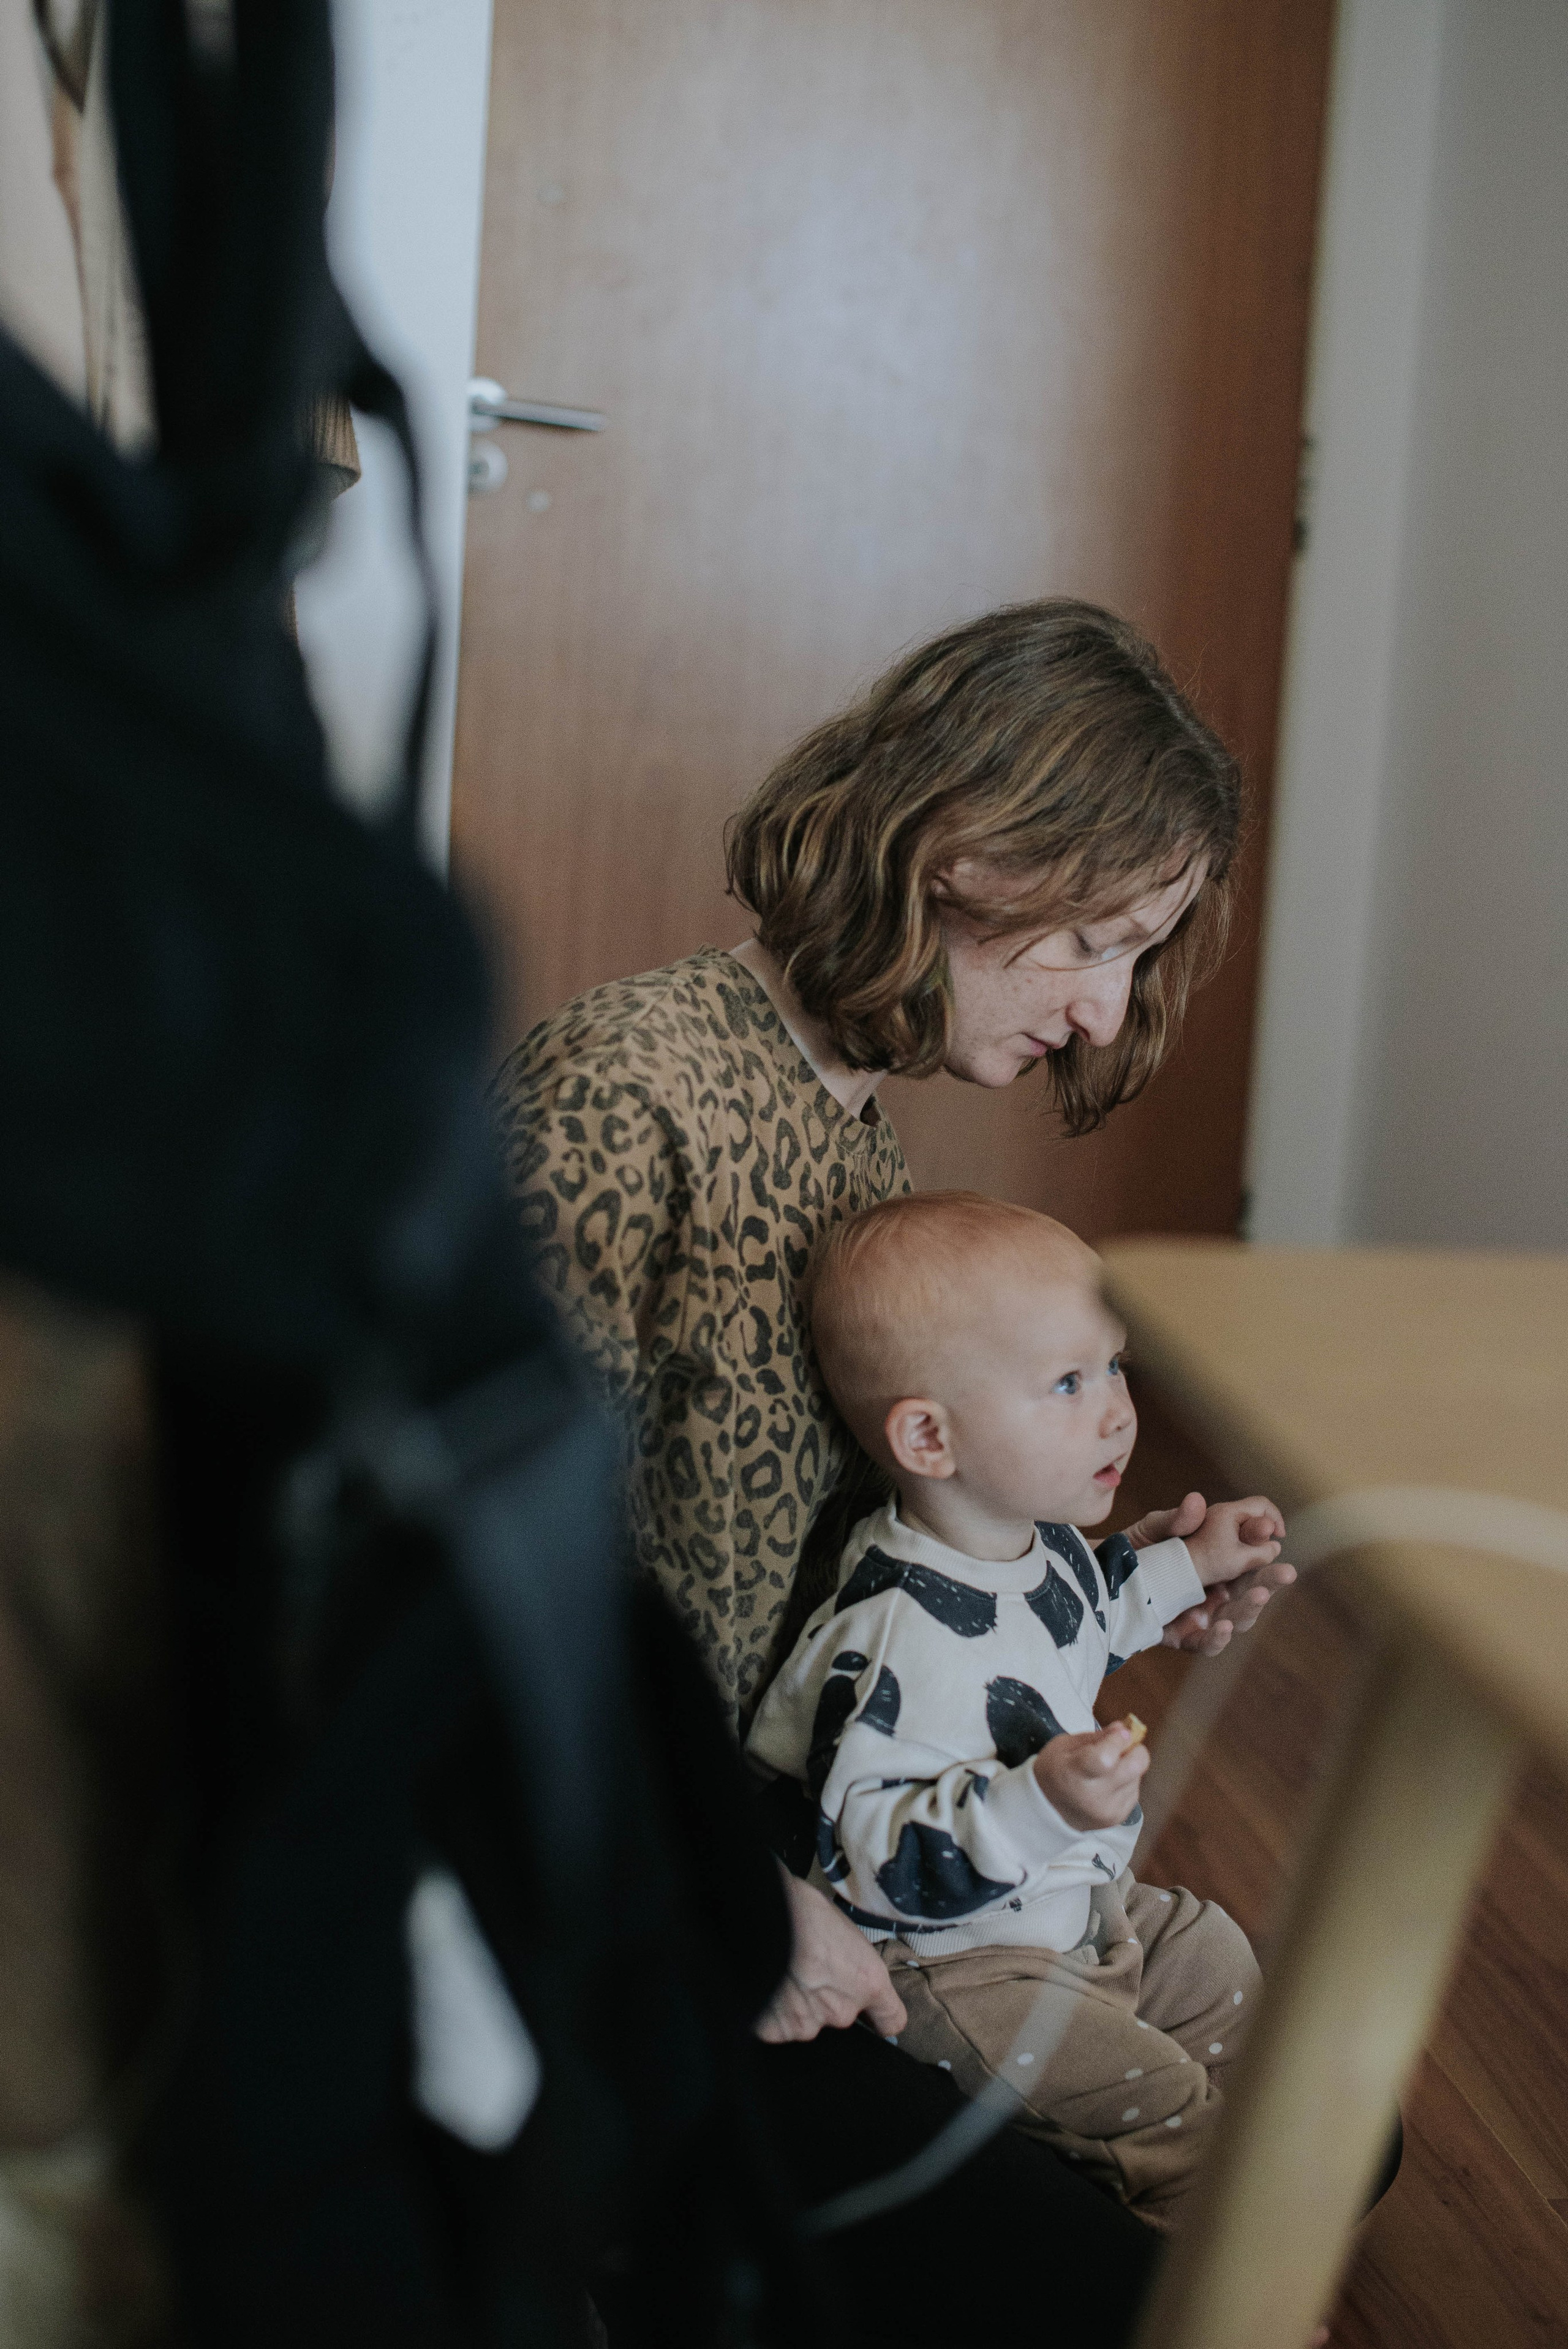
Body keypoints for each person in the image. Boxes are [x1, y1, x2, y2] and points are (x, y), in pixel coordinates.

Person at [492, 597, 1256, 2336]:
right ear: (968, 848)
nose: (1105, 1007)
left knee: (1301, 2148)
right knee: (1134, 2282)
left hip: (837, 1835)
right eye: (1099, 941)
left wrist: (1123, 1562)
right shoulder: (626, 1096)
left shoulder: (851, 1127)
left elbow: (877, 1566)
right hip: (648, 1876)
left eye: (1143, 954)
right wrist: (738, 1895)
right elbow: (484, 1586)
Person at [746, 1190, 1295, 2230]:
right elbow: (876, 1856)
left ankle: (1259, 2174)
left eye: (1115, 1365)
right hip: (961, 1962)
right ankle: (1196, 2290)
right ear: (929, 1436)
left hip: (1072, 1910)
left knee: (1221, 1961)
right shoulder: (894, 1636)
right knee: (1174, 2115)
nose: (1118, 1410)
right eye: (1069, 1381)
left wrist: (1190, 1562)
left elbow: (1087, 1612)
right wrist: (1039, 1803)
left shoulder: (1025, 1540)